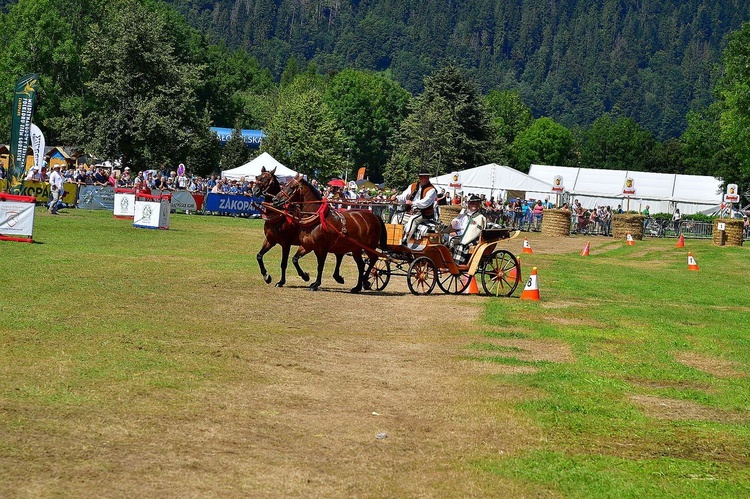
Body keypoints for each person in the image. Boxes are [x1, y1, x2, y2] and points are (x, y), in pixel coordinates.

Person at [393, 168, 438, 244]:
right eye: (424, 177)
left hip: (424, 213)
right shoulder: (413, 186)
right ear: (420, 177)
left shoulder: (431, 189)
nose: (426, 179)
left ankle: (405, 241)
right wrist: (396, 198)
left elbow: (425, 202)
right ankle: (394, 238)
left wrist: (412, 203)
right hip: (411, 211)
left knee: (413, 220)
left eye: (427, 177)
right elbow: (404, 196)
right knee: (396, 217)